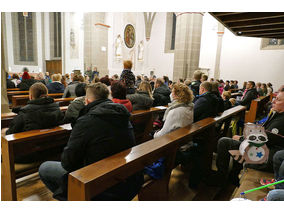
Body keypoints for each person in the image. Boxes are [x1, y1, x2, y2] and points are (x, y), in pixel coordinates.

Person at [39, 82, 143, 200]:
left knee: (45, 168)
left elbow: (68, 162)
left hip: (97, 180)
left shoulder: (86, 121)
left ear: (87, 101)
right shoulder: (123, 115)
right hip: (125, 178)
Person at [205, 88, 284, 187]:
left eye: (278, 99)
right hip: (264, 149)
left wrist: (242, 138)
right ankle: (232, 177)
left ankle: (221, 178)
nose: (274, 101)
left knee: (224, 142)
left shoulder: (282, 120)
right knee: (235, 145)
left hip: (267, 155)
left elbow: (266, 138)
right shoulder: (277, 114)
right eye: (275, 98)